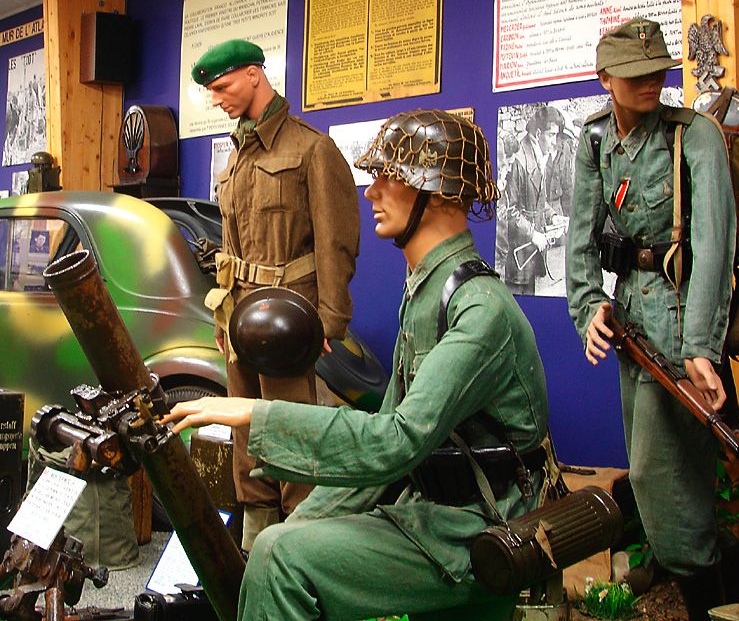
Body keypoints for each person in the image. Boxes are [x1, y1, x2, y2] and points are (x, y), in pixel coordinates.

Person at [163, 109, 555, 620]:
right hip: (438, 507)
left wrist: (257, 416)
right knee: (285, 537)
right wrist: (309, 515)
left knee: (282, 557)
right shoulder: (429, 292)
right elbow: (391, 433)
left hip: (482, 528)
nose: (372, 192)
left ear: (434, 193)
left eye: (390, 178)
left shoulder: (478, 310)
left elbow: (396, 440)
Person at [565, 17, 736, 620]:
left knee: (666, 471)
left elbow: (715, 246)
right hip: (632, 319)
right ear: (605, 78)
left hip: (681, 318)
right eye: (634, 74)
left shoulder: (694, 137)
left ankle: (706, 594)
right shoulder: (593, 141)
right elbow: (580, 235)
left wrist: (701, 346)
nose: (650, 82)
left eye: (657, 70)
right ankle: (680, 568)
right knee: (650, 465)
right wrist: (587, 306)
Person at [191, 39, 360, 550]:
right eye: (211, 91)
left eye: (222, 86)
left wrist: (328, 322)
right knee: (247, 438)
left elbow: (336, 242)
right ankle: (254, 547)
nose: (216, 98)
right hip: (241, 315)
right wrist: (224, 322)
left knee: (291, 436)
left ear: (254, 75)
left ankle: (298, 550)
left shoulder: (311, 148)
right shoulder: (238, 157)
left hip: (289, 315)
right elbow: (229, 248)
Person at [504, 109, 569, 294]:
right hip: (518, 255)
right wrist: (533, 234)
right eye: (551, 135)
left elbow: (540, 202)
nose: (554, 142)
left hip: (530, 254)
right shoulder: (519, 160)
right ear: (539, 133)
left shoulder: (538, 155)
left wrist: (553, 217)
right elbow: (508, 209)